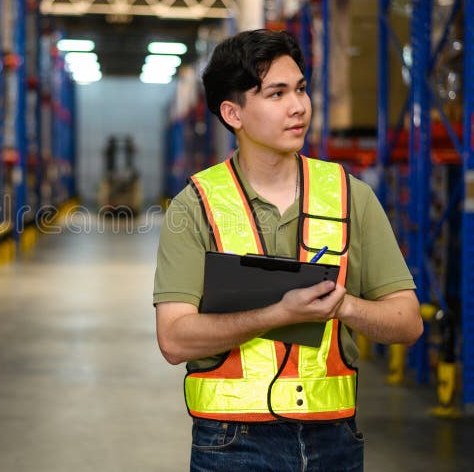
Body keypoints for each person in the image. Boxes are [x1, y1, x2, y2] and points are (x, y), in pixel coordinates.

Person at [153, 29, 423, 471]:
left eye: (300, 89)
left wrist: (345, 306)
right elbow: (173, 338)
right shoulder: (196, 205)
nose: (298, 106)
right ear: (233, 113)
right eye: (276, 94)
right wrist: (279, 315)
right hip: (231, 442)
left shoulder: (350, 197)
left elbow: (408, 323)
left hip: (335, 439)